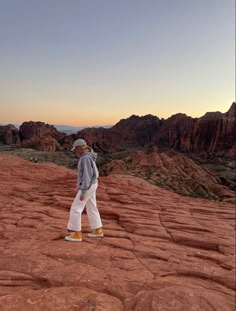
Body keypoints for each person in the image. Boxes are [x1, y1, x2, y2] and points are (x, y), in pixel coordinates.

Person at [65, 138, 103, 242]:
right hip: (93, 183)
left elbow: (87, 175)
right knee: (92, 206)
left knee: (76, 208)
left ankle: (76, 234)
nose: (75, 151)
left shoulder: (85, 158)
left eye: (76, 149)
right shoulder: (89, 156)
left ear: (80, 148)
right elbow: (95, 173)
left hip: (88, 185)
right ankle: (97, 230)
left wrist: (83, 190)